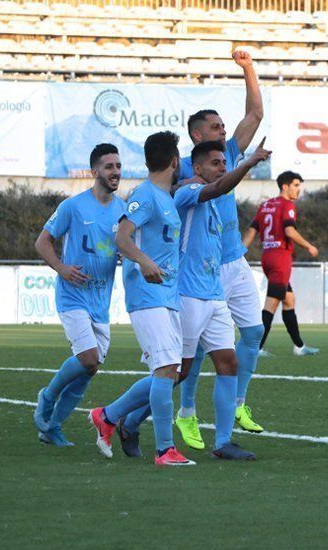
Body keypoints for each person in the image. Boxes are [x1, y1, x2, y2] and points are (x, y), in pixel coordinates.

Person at [115, 139, 271, 459]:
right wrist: (248, 164)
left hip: (214, 295)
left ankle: (223, 442)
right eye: (215, 163)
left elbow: (219, 189)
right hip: (187, 295)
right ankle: (127, 419)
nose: (222, 168)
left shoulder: (210, 197)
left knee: (228, 362)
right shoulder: (187, 194)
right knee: (177, 372)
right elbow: (214, 188)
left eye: (223, 163)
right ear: (196, 168)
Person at [172, 50, 267, 443]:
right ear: (197, 135)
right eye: (215, 126)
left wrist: (249, 69)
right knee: (192, 352)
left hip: (233, 260)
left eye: (224, 125)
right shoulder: (183, 169)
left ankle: (239, 401)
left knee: (254, 332)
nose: (224, 130)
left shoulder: (227, 152)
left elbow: (255, 115)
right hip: (199, 270)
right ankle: (187, 411)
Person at [87, 131, 194, 466]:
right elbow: (121, 237)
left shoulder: (164, 197)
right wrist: (144, 260)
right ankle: (165, 450)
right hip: (147, 295)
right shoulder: (145, 196)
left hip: (166, 295)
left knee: (169, 371)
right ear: (174, 161)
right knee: (166, 369)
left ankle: (109, 416)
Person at [32, 143, 125, 446]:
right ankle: (47, 398)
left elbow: (127, 246)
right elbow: (42, 242)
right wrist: (61, 267)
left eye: (118, 166)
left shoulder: (123, 210)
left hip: (101, 300)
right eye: (109, 167)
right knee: (87, 358)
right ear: (95, 171)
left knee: (90, 368)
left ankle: (52, 427)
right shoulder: (73, 206)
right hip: (73, 296)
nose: (116, 172)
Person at [242, 171, 319, 356]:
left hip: (268, 257)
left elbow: (252, 232)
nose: (298, 190)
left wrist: (239, 254)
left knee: (289, 299)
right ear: (285, 186)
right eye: (295, 185)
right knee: (271, 305)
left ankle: (299, 346)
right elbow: (290, 231)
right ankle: (255, 348)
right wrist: (309, 246)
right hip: (280, 259)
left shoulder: (265, 205)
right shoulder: (288, 205)